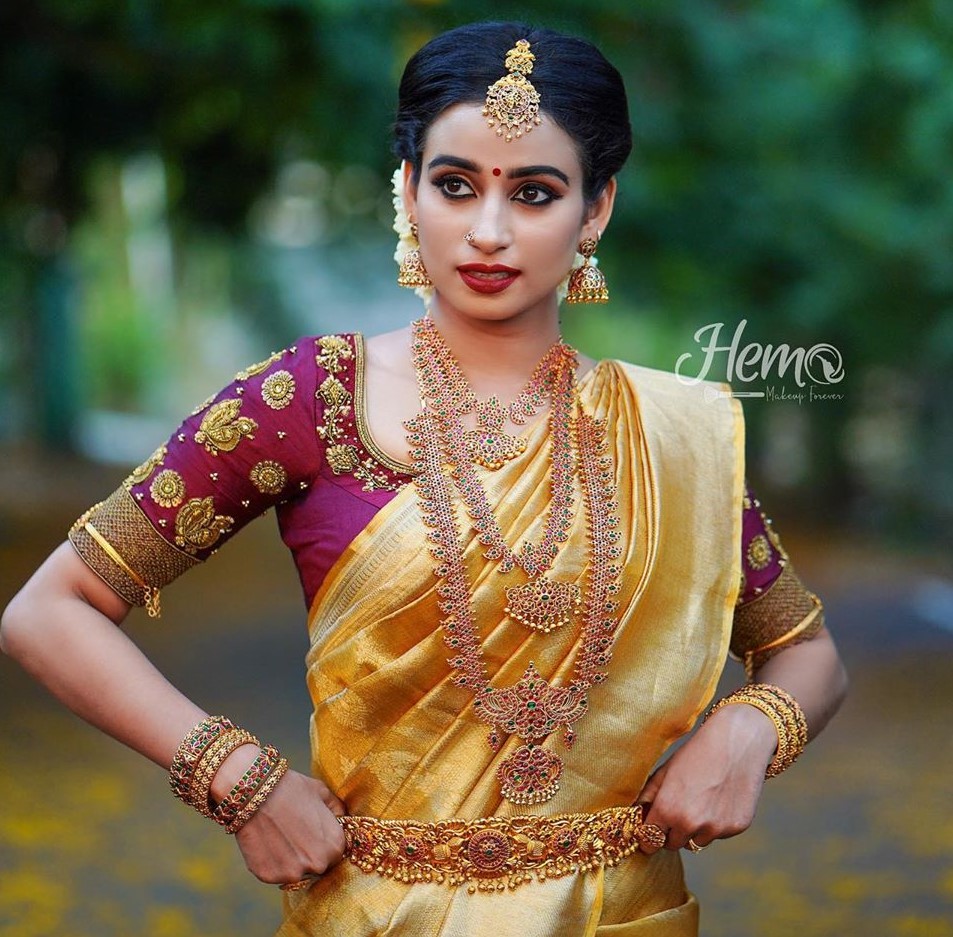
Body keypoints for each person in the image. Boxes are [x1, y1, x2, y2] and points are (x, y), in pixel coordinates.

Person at [0, 21, 847, 937]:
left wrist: (748, 730)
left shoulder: (666, 435)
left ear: (594, 210)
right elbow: (50, 610)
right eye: (454, 185)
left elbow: (807, 655)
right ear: (408, 192)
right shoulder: (308, 399)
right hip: (375, 916)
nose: (488, 230)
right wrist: (235, 778)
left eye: (533, 192)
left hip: (620, 914)